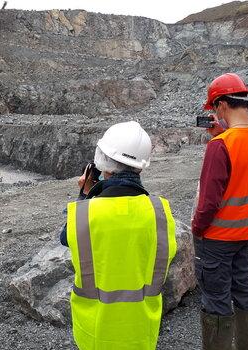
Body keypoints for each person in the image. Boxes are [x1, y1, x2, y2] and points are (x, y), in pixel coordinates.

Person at [60, 121, 177, 349]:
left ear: (101, 159)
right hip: (141, 330)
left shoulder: (86, 213)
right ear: (141, 166)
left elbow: (66, 237)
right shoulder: (159, 211)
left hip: (95, 331)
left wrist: (85, 195)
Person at [192, 73, 248, 350]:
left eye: (214, 108)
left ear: (221, 105)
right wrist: (222, 134)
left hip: (218, 237)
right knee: (243, 287)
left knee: (216, 299)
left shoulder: (220, 146)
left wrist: (197, 229)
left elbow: (208, 203)